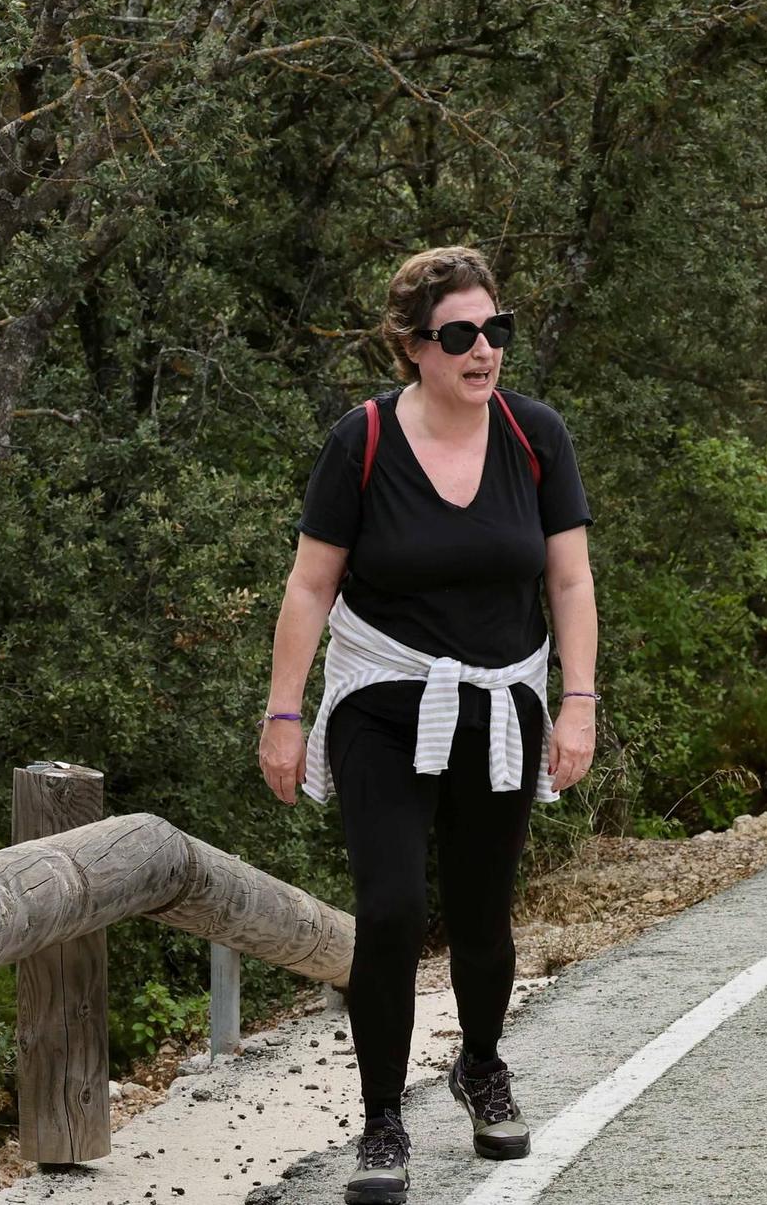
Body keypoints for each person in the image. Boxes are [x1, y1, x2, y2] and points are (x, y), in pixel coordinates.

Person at [257, 246, 598, 1204]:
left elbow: (569, 579)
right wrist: (284, 712)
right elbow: (310, 585)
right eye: (460, 336)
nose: (484, 350)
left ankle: (480, 1064)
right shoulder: (361, 441)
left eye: (496, 330)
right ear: (412, 346)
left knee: (484, 913)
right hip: (382, 703)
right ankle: (381, 1121)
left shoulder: (536, 435)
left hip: (501, 702)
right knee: (393, 908)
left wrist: (578, 701)